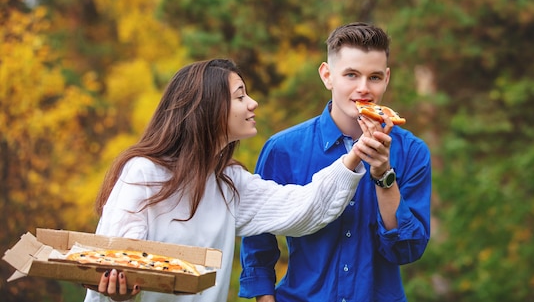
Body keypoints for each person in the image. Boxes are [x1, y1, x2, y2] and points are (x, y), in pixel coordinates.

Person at [83, 58, 395, 302]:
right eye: (240, 96)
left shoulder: (229, 182)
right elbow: (113, 265)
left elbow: (305, 208)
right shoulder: (143, 173)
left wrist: (356, 154)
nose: (252, 104)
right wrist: (117, 293)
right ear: (207, 107)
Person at [239, 23, 432, 302]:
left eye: (374, 77)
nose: (363, 88)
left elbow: (407, 250)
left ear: (387, 78)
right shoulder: (284, 150)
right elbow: (258, 244)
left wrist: (383, 176)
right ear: (327, 76)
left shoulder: (413, 152)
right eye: (351, 75)